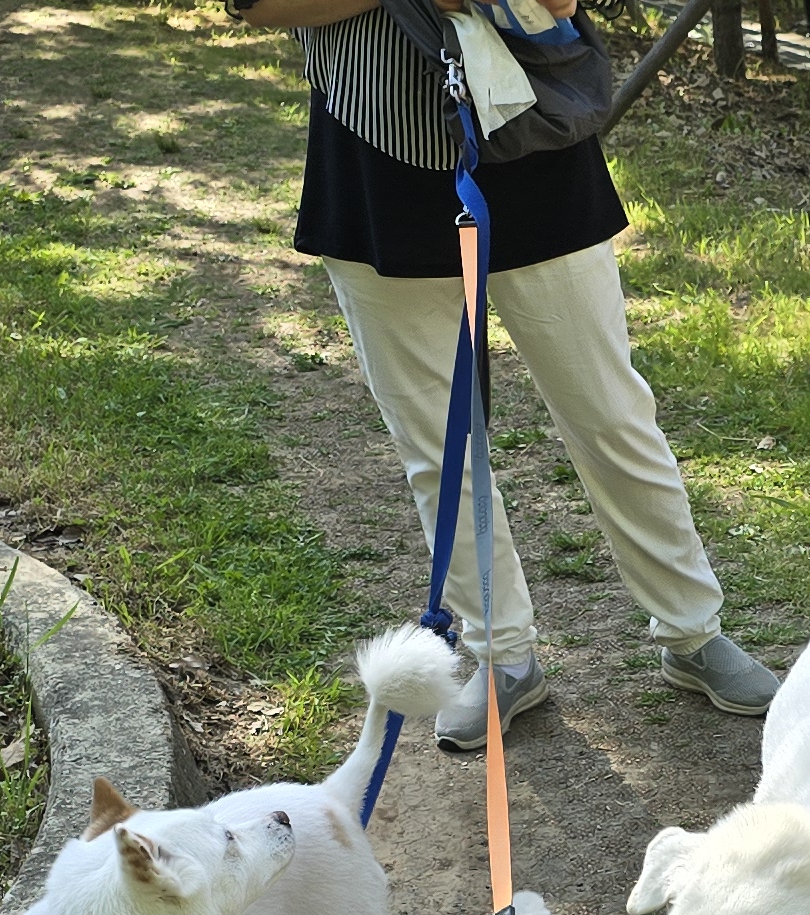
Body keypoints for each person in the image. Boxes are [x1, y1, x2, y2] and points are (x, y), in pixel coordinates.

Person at [238, 0, 781, 750]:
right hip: (371, 157)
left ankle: (692, 633)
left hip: (531, 138)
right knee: (437, 437)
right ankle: (501, 654)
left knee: (608, 411)